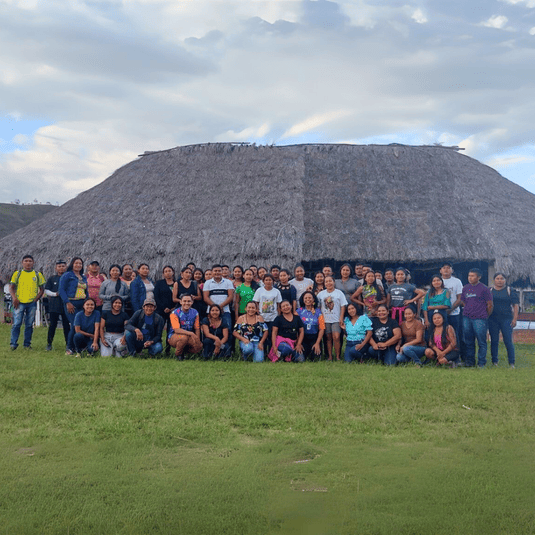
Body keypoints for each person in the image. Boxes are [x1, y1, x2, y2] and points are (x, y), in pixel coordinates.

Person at [9, 254, 46, 350]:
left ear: (33, 263)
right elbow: (11, 287)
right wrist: (14, 298)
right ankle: (13, 344)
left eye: (30, 261)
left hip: (31, 303)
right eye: (26, 261)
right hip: (19, 302)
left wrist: (36, 299)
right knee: (16, 324)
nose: (28, 263)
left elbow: (42, 289)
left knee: (29, 325)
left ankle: (27, 344)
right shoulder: (17, 273)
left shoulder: (37, 274)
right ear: (22, 263)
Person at [461, 268, 493, 367]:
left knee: (481, 341)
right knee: (468, 341)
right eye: (469, 276)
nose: (470, 278)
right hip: (467, 317)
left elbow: (490, 305)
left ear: (478, 277)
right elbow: (463, 302)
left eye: (472, 276)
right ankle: (470, 362)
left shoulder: (484, 289)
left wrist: (484, 315)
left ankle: (481, 362)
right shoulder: (465, 288)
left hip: (480, 318)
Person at [489, 273, 519, 367]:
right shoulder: (490, 291)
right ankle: (494, 362)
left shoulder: (510, 290)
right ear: (494, 280)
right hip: (492, 319)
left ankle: (511, 362)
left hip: (506, 319)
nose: (499, 280)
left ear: (505, 280)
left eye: (502, 278)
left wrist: (514, 319)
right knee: (494, 341)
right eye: (497, 278)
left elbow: (516, 305)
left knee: (508, 341)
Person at [59, 257, 88, 355]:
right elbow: (61, 290)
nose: (78, 265)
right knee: (75, 325)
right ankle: (69, 347)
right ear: (72, 264)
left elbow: (86, 291)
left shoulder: (83, 277)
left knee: (82, 325)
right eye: (76, 263)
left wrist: (87, 302)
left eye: (80, 263)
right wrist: (67, 302)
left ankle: (78, 346)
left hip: (82, 303)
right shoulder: (67, 275)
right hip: (71, 303)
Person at [317, 276, 347, 361]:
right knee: (328, 337)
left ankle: (337, 356)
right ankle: (330, 356)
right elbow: (318, 307)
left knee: (336, 337)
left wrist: (341, 317)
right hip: (325, 319)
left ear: (334, 282)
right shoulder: (321, 294)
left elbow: (343, 306)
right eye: (326, 282)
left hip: (336, 319)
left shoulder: (339, 293)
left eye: (330, 281)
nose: (328, 283)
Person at [252, 273, 282, 354]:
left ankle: (272, 353)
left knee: (272, 336)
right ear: (263, 281)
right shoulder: (259, 290)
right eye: (266, 280)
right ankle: (263, 353)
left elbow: (279, 304)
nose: (268, 281)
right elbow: (256, 302)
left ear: (273, 281)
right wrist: (257, 311)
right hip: (262, 317)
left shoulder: (276, 291)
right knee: (262, 335)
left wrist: (279, 315)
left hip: (273, 317)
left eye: (270, 280)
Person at [44, 260, 69, 351]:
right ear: (56, 268)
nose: (61, 268)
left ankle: (68, 344)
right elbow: (46, 290)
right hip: (54, 305)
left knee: (66, 325)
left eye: (63, 266)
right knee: (52, 325)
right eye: (59, 266)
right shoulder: (52, 278)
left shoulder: (69, 278)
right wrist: (55, 294)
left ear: (66, 267)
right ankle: (49, 343)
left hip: (66, 305)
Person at [168, 294, 202, 360]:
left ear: (192, 302)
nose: (186, 303)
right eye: (184, 301)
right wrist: (191, 334)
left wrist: (197, 339)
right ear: (181, 302)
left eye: (189, 301)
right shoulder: (174, 313)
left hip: (189, 336)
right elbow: (176, 330)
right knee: (184, 338)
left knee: (198, 347)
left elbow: (197, 328)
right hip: (174, 336)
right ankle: (178, 355)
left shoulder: (195, 312)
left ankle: (186, 353)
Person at [439, 262, 463, 354]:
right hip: (439, 314)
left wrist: (450, 309)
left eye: (448, 268)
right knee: (441, 334)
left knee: (455, 334)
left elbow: (460, 298)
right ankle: (442, 354)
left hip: (454, 313)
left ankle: (456, 355)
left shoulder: (457, 281)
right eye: (444, 268)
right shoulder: (437, 281)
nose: (446, 269)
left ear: (452, 270)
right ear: (440, 270)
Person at [203, 264, 235, 330]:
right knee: (212, 330)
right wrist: (215, 308)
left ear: (222, 272)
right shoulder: (207, 283)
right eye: (215, 271)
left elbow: (230, 296)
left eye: (219, 271)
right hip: (211, 311)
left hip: (225, 311)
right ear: (212, 272)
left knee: (227, 330)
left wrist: (220, 306)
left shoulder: (228, 282)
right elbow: (206, 298)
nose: (217, 272)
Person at [296, 291, 325, 360]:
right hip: (302, 338)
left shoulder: (318, 312)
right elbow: (295, 328)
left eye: (309, 298)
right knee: (300, 359)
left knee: (315, 359)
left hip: (314, 337)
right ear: (303, 300)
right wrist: (298, 343)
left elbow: (322, 328)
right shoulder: (298, 311)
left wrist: (317, 343)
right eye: (305, 298)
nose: (308, 300)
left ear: (313, 299)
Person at [154, 265, 176, 355]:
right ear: (163, 274)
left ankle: (168, 350)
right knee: (159, 329)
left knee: (170, 330)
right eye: (166, 271)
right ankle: (157, 349)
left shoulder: (176, 283)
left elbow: (178, 297)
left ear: (173, 272)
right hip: (161, 310)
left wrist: (173, 308)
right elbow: (156, 296)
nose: (168, 273)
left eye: (169, 271)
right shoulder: (159, 283)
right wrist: (164, 308)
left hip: (173, 311)